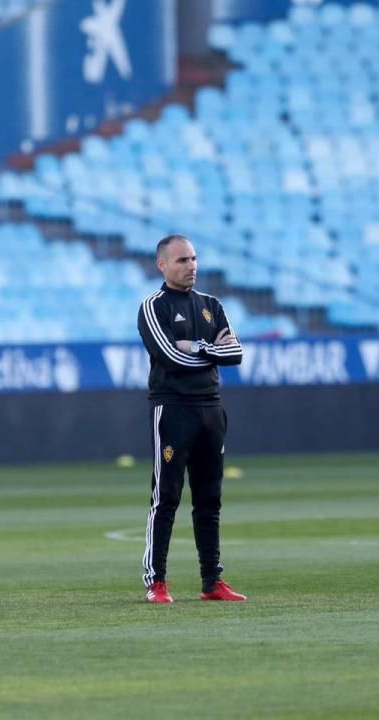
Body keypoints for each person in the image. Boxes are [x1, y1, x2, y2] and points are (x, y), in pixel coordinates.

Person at [136, 234, 246, 603]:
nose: (191, 266)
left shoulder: (211, 305)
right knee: (166, 496)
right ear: (162, 265)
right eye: (182, 260)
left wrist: (199, 347)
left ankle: (212, 581)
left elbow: (237, 355)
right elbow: (171, 357)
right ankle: (157, 581)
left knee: (209, 498)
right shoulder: (154, 307)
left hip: (211, 409)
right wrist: (214, 351)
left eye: (194, 259)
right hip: (173, 409)